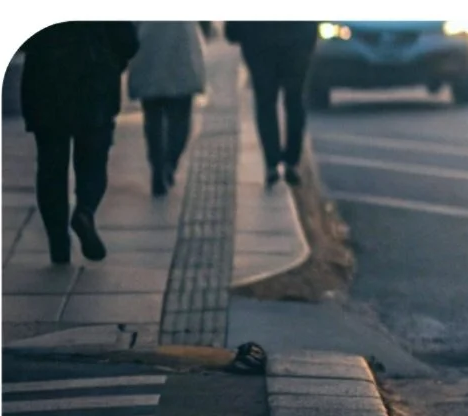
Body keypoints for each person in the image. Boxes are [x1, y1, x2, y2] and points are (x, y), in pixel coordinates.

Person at [18, 21, 139, 264]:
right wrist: (114, 61)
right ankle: (85, 210)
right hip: (94, 81)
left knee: (51, 166)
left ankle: (58, 242)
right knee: (93, 160)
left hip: (45, 82)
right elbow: (127, 39)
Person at [224, 21, 319, 185]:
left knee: (265, 102)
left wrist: (234, 30)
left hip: (258, 40)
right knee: (294, 100)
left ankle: (272, 162)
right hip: (296, 40)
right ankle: (292, 161)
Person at [128, 21, 211, 196]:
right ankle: (170, 163)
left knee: (152, 117)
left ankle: (157, 167)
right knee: (181, 117)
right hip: (182, 44)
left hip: (148, 44)